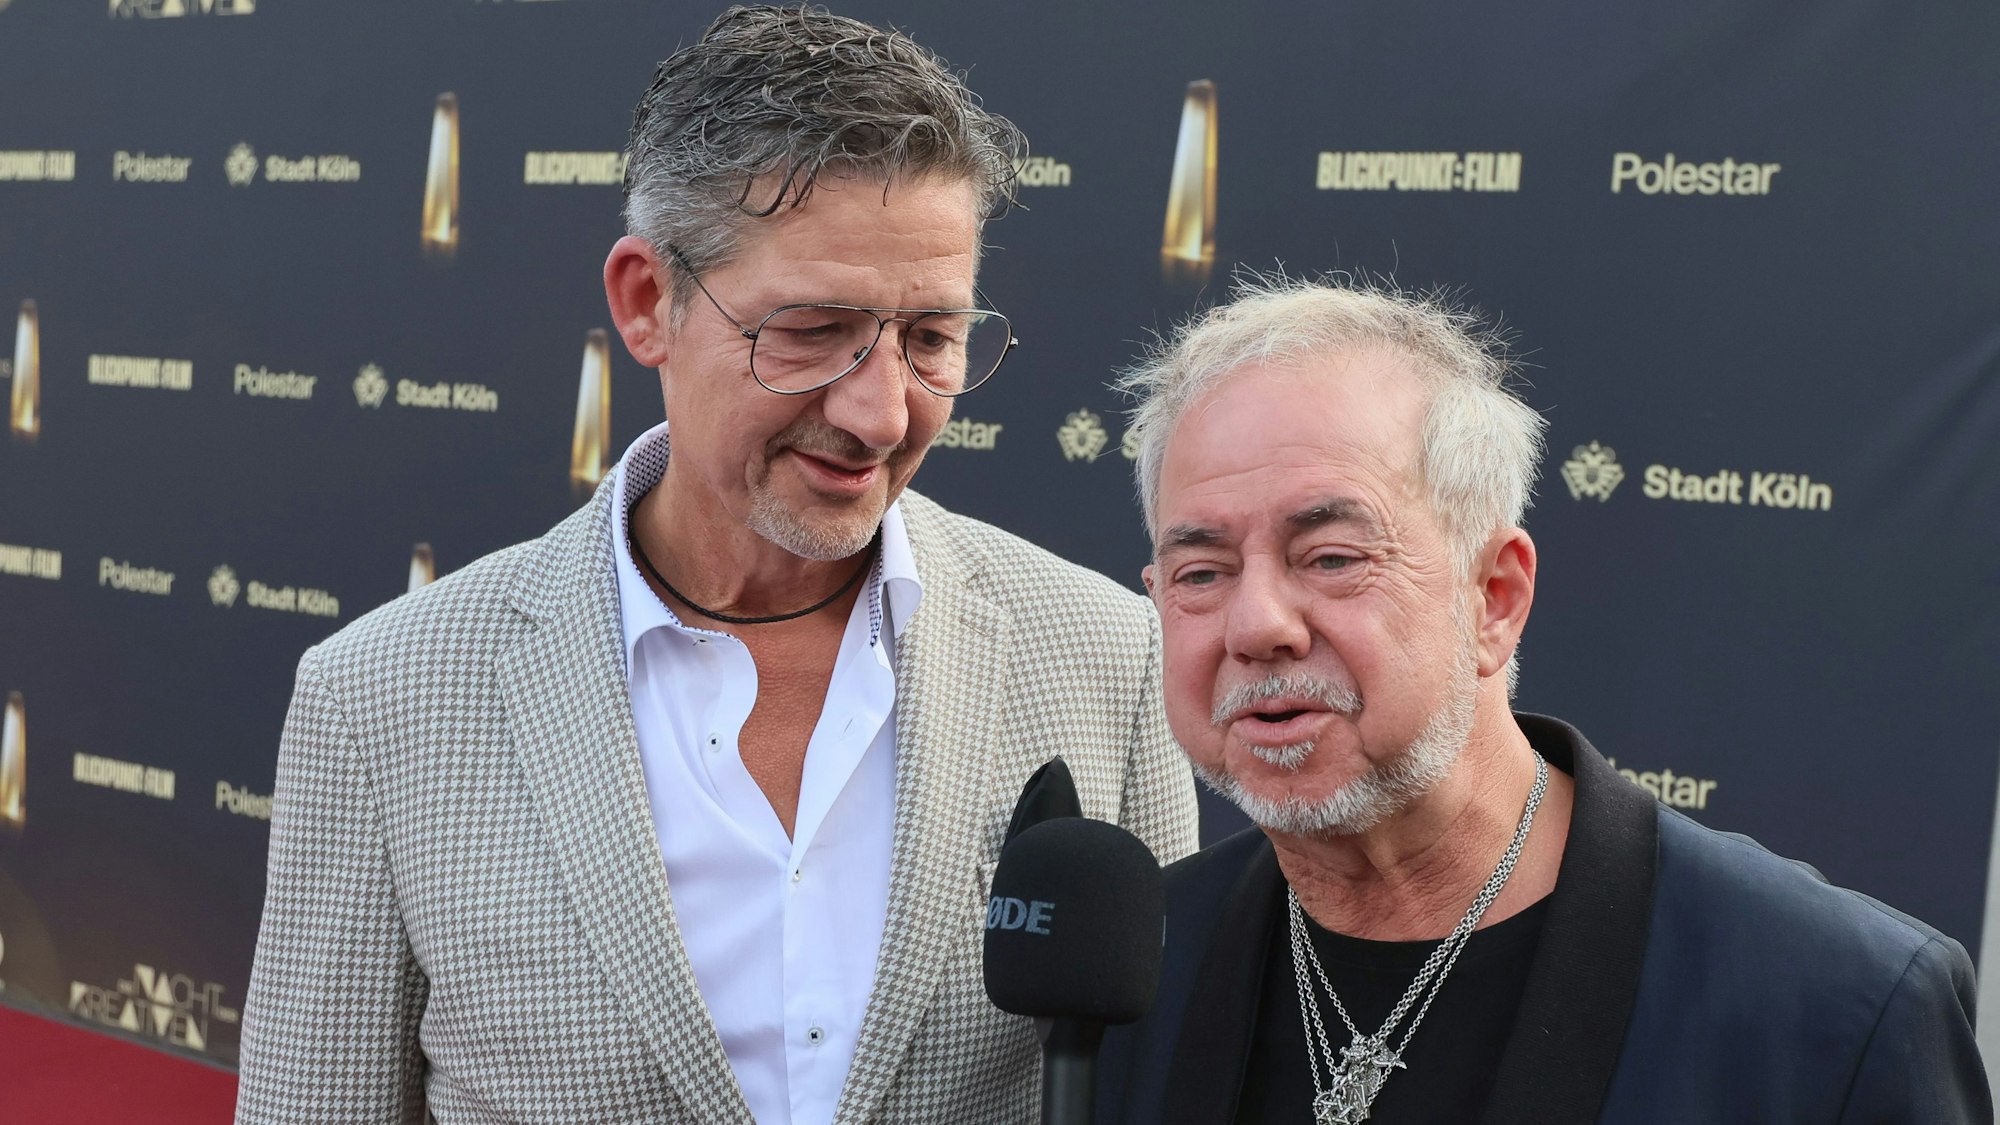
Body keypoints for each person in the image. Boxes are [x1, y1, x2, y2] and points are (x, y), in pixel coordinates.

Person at [233, 8, 1198, 1122]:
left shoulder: (1103, 655)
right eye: (810, 330)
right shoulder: (381, 699)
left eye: (931, 339)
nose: (881, 413)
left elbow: (1155, 1087)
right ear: (649, 303)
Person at [1095, 276, 1989, 1124]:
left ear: (1494, 598)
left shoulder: (1836, 1010)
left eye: (1330, 557)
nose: (1257, 625)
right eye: (1201, 572)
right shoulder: (1131, 972)